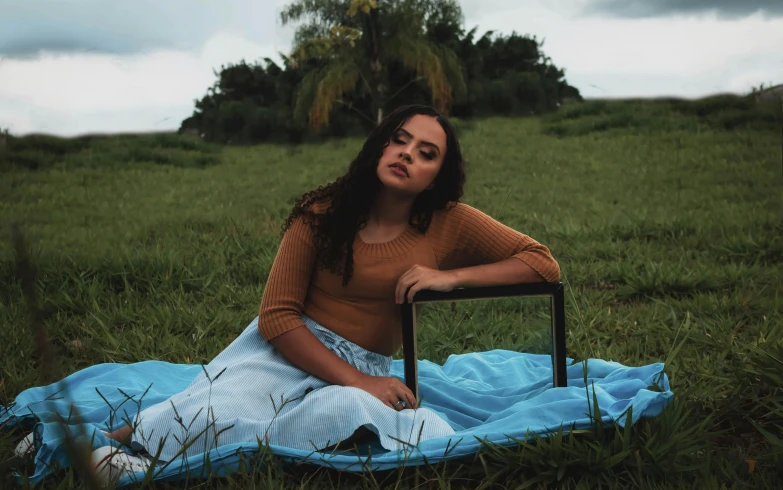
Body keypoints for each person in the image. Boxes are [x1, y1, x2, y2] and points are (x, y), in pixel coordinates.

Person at [18, 104, 561, 486]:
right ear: (378, 145)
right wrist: (360, 380)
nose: (406, 154)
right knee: (214, 409)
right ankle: (81, 445)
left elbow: (542, 265)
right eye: (398, 139)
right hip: (285, 349)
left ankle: (154, 449)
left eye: (425, 152)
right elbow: (277, 316)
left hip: (366, 363)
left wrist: (449, 278)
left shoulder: (450, 222)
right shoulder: (321, 212)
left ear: (438, 174)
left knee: (363, 414)